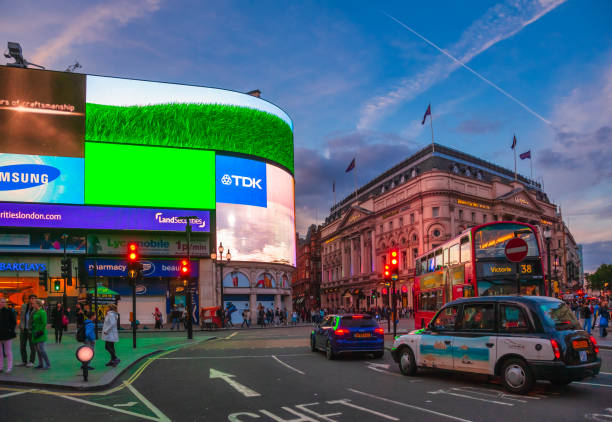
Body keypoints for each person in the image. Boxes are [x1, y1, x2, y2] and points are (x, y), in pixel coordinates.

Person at [16, 294, 37, 368]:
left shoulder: (36, 308)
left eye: (34, 299)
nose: (32, 300)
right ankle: (24, 361)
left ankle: (31, 361)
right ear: (29, 299)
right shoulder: (24, 306)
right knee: (22, 346)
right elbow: (21, 317)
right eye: (31, 298)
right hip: (24, 329)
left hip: (31, 330)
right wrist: (21, 326)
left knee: (32, 347)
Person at [31, 299, 50, 370]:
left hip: (40, 333)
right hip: (35, 333)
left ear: (38, 304)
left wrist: (39, 331)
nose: (33, 305)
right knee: (38, 350)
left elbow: (44, 323)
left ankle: (48, 364)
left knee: (41, 350)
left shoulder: (42, 312)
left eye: (34, 304)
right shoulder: (36, 312)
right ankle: (41, 364)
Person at [0, 297, 17, 373]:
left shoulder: (9, 311)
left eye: (4, 302)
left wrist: (10, 330)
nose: (3, 303)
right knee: (0, 352)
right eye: (1, 302)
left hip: (7, 334)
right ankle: (0, 367)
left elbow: (13, 322)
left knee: (8, 352)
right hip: (2, 334)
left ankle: (9, 367)